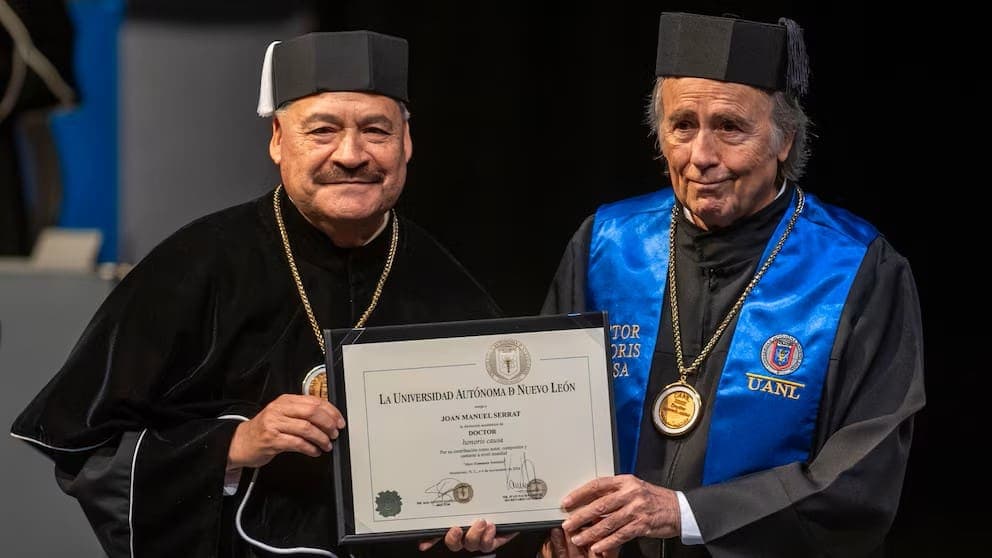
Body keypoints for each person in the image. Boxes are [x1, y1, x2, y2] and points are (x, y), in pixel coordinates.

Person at [10, 30, 524, 557]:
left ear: (407, 143)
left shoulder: (445, 281)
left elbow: (496, 462)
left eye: (376, 130)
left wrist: (486, 526)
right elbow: (85, 448)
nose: (351, 155)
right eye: (322, 131)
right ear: (278, 138)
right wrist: (232, 446)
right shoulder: (197, 263)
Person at [541, 12, 925, 558]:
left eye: (729, 127)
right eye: (682, 126)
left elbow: (862, 475)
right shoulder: (606, 243)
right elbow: (546, 417)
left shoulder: (858, 268)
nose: (701, 156)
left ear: (785, 139)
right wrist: (540, 524)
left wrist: (684, 514)